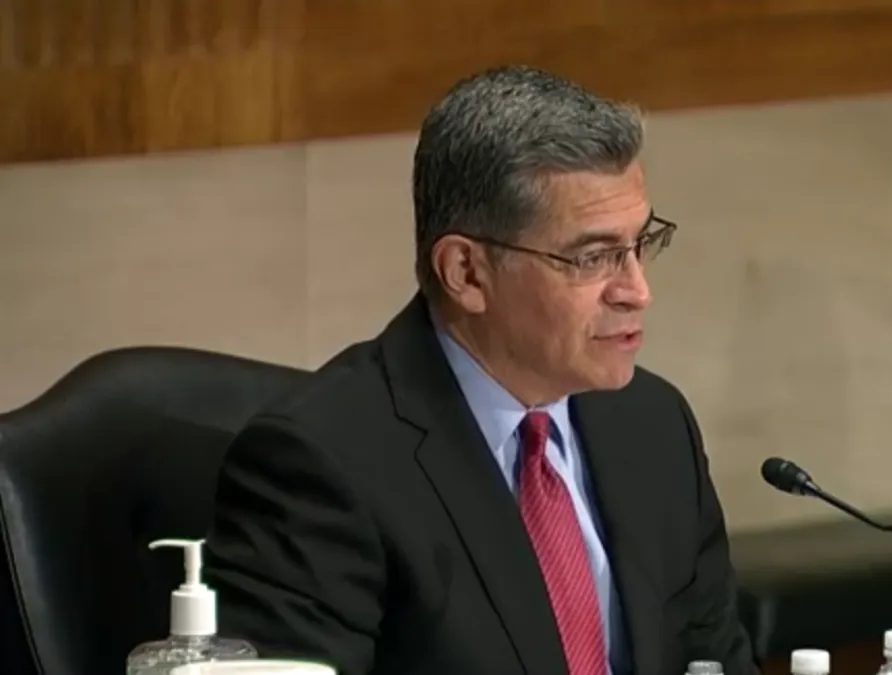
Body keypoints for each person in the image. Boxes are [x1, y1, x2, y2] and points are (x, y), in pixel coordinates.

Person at [204, 65, 759, 675]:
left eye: (640, 244)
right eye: (594, 257)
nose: (637, 290)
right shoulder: (320, 469)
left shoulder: (652, 424)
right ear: (466, 272)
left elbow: (715, 660)